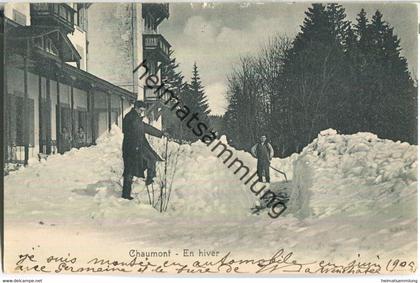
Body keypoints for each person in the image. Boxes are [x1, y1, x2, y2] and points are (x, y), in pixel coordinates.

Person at [122, 100, 166, 200]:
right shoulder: (130, 118)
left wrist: (160, 133)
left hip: (136, 147)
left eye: (143, 111)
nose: (141, 112)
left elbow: (145, 127)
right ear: (136, 108)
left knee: (150, 160)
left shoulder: (136, 118)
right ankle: (126, 194)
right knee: (129, 171)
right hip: (131, 148)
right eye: (141, 110)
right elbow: (131, 130)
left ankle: (149, 183)